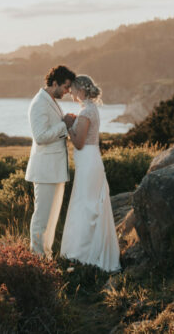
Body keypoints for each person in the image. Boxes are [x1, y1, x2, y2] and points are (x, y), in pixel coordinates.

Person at [59, 74, 121, 272]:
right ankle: (88, 253)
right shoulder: (89, 110)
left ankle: (85, 255)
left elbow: (78, 143)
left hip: (87, 161)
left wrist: (69, 126)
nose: (71, 93)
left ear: (81, 91)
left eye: (73, 90)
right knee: (89, 204)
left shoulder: (86, 112)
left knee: (86, 205)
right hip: (90, 160)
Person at [25, 65, 77, 258]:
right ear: (54, 82)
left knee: (52, 218)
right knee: (42, 217)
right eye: (65, 86)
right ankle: (37, 257)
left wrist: (63, 120)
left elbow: (52, 128)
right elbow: (40, 136)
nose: (67, 91)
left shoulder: (51, 100)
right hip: (45, 170)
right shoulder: (39, 103)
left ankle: (46, 255)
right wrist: (64, 125)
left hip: (55, 169)